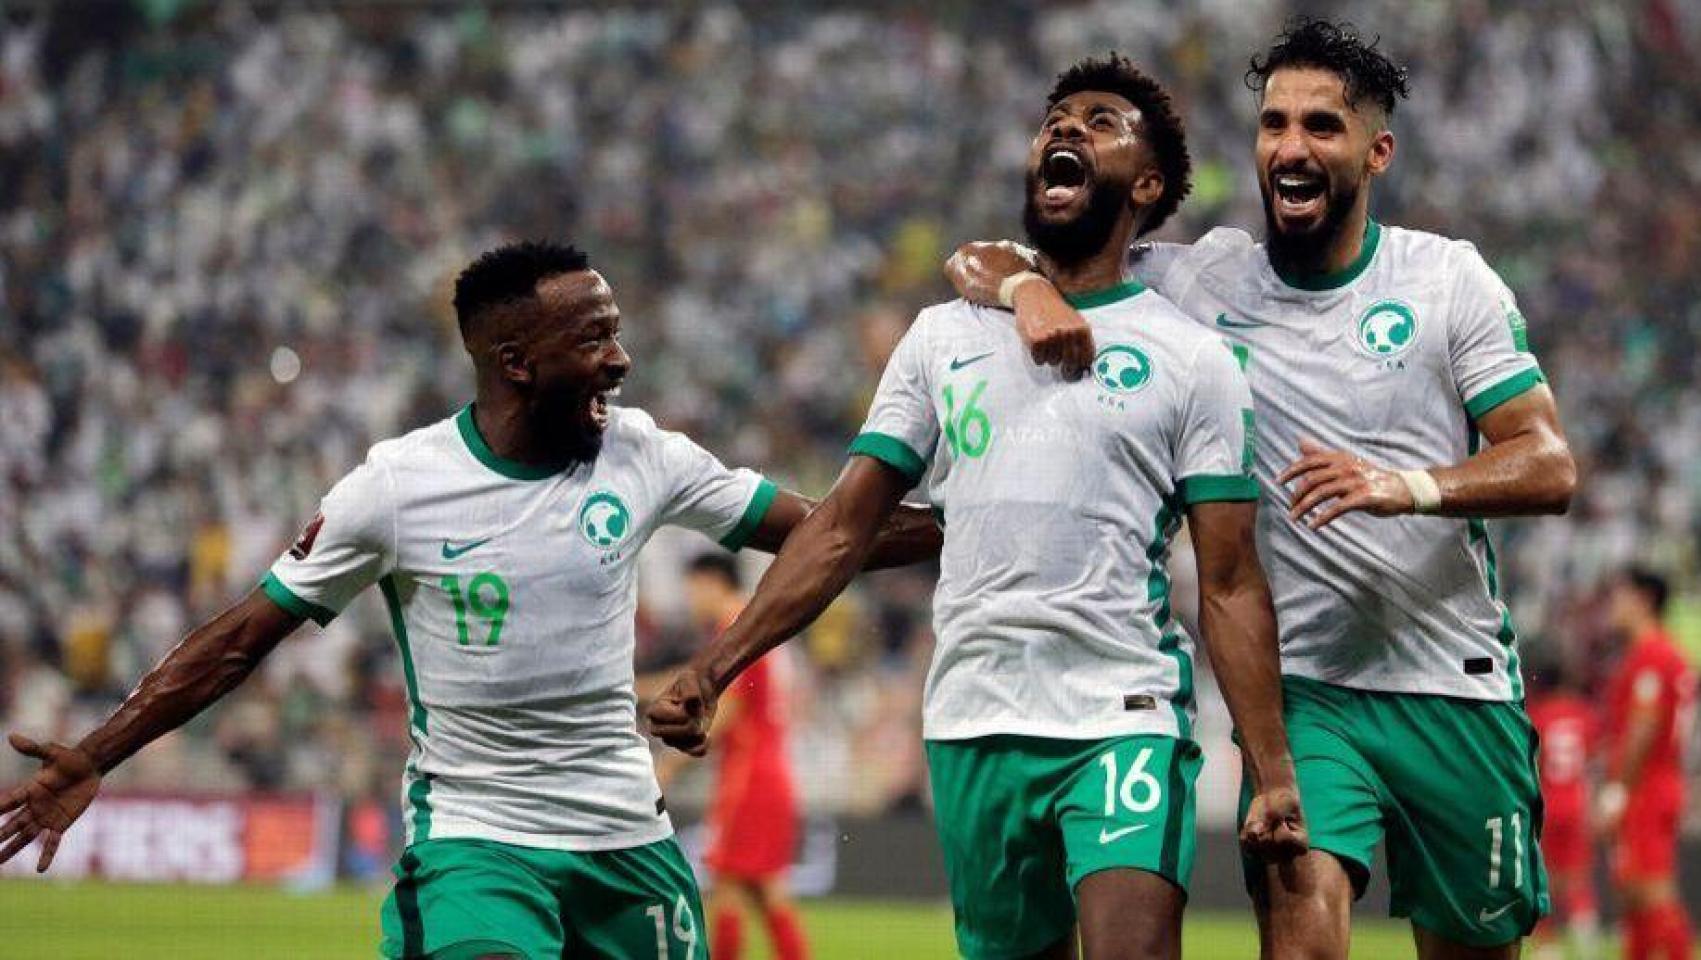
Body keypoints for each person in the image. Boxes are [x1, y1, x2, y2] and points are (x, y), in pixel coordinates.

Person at [0, 241, 941, 960]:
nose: (621, 360)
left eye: (616, 331)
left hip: (628, 841)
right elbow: (243, 635)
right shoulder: (399, 487)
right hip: (478, 842)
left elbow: (830, 529)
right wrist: (96, 754)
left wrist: (977, 515)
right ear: (515, 361)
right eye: (595, 337)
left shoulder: (644, 453)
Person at [944, 18, 1577, 960]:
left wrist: (1403, 485)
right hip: (1305, 698)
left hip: (1456, 686)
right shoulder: (1200, 282)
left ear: (1377, 150)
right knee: (1302, 939)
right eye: (1274, 123)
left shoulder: (1448, 282)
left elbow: (1548, 463)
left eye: (1322, 126)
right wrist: (1024, 294)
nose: (1290, 145)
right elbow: (987, 259)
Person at [651, 54, 1306, 960]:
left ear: (1148, 183)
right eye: (1055, 118)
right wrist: (712, 668)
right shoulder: (941, 336)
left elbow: (1230, 581)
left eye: (1101, 120)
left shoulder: (1193, 360)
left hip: (1122, 714)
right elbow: (844, 526)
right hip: (973, 719)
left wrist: (1272, 773)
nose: (1066, 128)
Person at [658, 553, 810, 960]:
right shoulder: (759, 625)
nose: (691, 599)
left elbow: (732, 707)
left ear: (711, 582)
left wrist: (674, 761)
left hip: (748, 773)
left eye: (692, 588)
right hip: (772, 768)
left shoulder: (734, 626)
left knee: (729, 887)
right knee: (764, 890)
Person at [1600, 567, 1697, 960]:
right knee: (1633, 897)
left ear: (1643, 600)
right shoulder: (1661, 651)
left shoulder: (1653, 653)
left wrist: (1617, 791)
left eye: (1620, 596)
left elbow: (1644, 726)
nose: (1613, 606)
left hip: (1648, 785)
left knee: (1651, 890)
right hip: (1657, 783)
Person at [1526, 661, 1599, 960]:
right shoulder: (1584, 715)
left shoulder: (1539, 715)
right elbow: (1593, 758)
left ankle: (1548, 948)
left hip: (1549, 803)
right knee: (1578, 877)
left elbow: (1534, 763)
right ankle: (1587, 946)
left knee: (1545, 877)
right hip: (1577, 802)